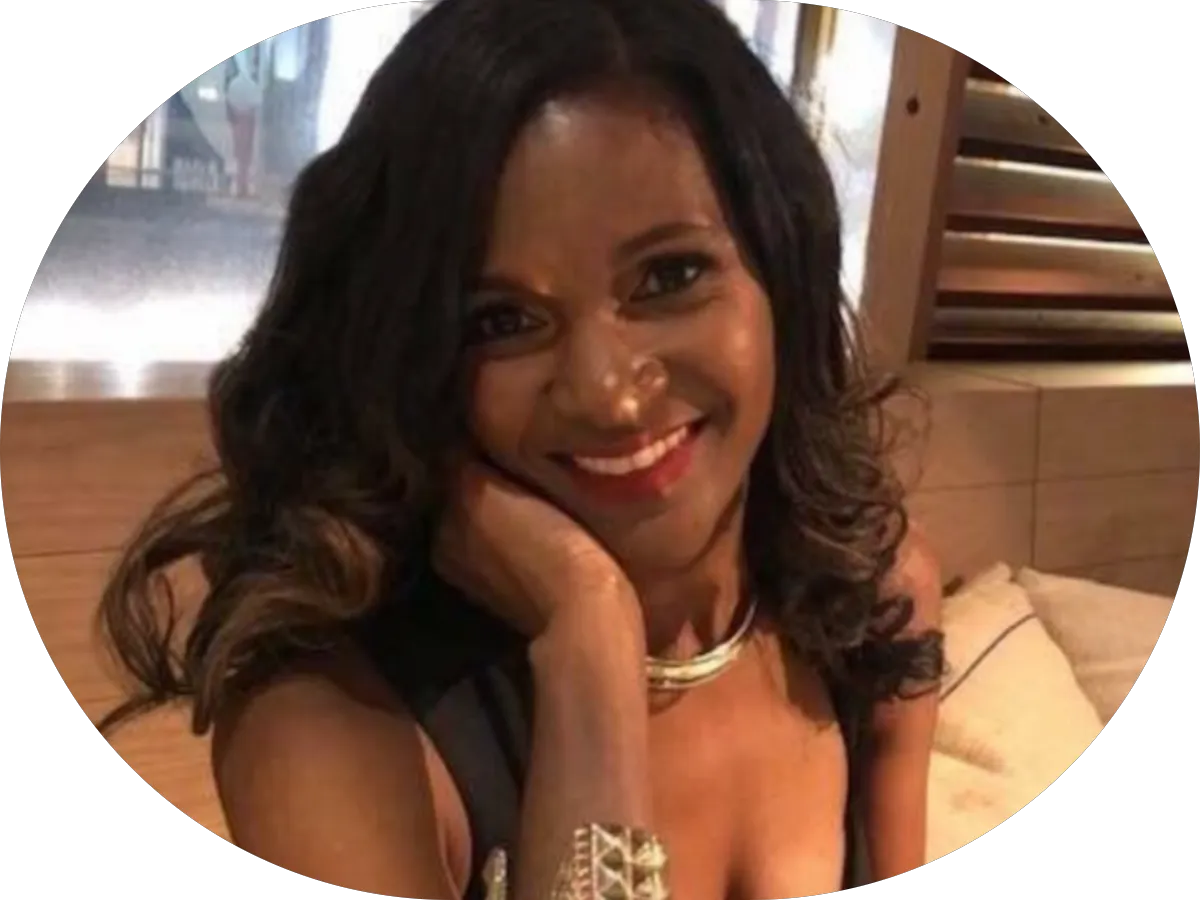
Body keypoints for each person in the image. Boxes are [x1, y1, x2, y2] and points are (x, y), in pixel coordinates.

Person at [95, 1, 945, 898]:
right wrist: (589, 645)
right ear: (416, 357)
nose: (609, 394)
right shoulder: (326, 721)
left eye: (669, 275)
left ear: (782, 269)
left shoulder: (871, 601)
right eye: (502, 321)